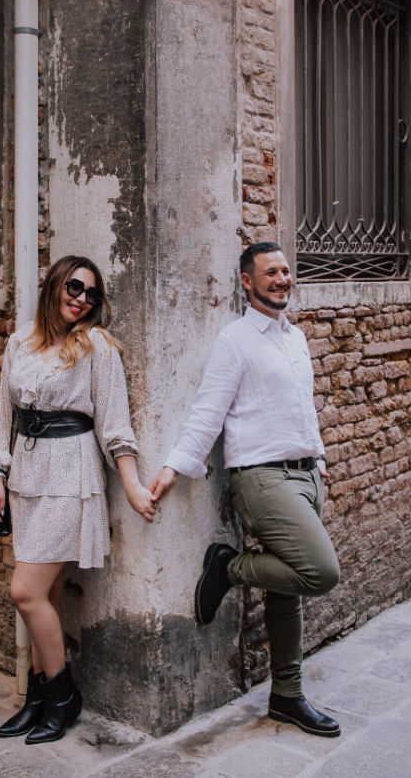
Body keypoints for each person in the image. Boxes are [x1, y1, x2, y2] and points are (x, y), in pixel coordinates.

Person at [147, 242, 342, 738]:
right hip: (262, 478)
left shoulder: (294, 338)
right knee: (319, 572)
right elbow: (208, 411)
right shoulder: (235, 341)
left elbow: (303, 406)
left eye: (285, 271)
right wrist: (173, 468)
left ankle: (287, 697)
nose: (281, 279)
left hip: (305, 474)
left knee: (286, 591)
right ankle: (229, 567)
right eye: (270, 273)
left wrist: (319, 459)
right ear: (247, 282)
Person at [0, 255, 157, 744]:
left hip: (71, 474)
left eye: (92, 295)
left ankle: (62, 698)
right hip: (28, 474)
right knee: (48, 596)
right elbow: (6, 420)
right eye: (76, 287)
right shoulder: (19, 342)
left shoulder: (96, 345)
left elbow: (115, 425)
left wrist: (131, 483)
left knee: (26, 591)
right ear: (57, 284)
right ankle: (38, 701)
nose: (82, 299)